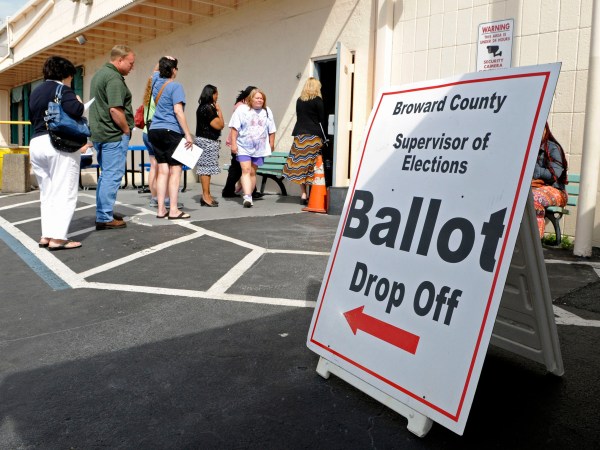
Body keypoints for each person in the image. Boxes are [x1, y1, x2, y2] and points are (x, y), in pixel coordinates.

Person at [28, 56, 85, 250]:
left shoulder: (35, 92)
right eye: (71, 77)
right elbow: (76, 110)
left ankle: (47, 235)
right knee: (65, 191)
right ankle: (59, 238)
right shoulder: (63, 89)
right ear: (66, 75)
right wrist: (78, 100)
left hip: (36, 142)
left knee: (48, 192)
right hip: (58, 144)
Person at [89, 45, 135, 230]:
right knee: (112, 175)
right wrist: (125, 130)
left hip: (101, 133)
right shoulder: (114, 78)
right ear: (120, 60)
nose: (133, 66)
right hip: (113, 135)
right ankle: (105, 216)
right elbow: (115, 109)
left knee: (105, 175)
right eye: (131, 63)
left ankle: (104, 212)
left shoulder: (99, 74)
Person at [147, 56, 193, 220]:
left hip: (154, 131)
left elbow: (154, 71)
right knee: (175, 170)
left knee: (163, 170)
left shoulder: (155, 83)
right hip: (171, 130)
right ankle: (173, 209)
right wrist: (187, 134)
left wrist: (162, 59)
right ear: (174, 70)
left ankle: (161, 209)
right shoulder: (176, 86)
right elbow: (178, 111)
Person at [228, 88, 276, 208]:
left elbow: (272, 129)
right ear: (251, 99)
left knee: (253, 172)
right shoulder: (242, 110)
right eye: (257, 98)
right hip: (243, 146)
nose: (260, 100)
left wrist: (271, 143)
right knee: (246, 170)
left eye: (262, 98)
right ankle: (247, 197)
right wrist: (233, 143)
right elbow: (234, 128)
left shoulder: (267, 111)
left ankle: (250, 194)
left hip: (259, 148)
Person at [282, 77, 326, 205]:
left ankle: (303, 194)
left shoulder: (299, 101)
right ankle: (313, 193)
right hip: (313, 136)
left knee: (301, 165)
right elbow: (321, 120)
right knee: (312, 165)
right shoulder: (318, 101)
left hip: (300, 136)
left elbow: (300, 117)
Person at [222, 85, 261, 199]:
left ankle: (248, 191)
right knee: (238, 168)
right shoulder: (241, 106)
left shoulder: (242, 104)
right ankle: (231, 190)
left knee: (243, 169)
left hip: (244, 143)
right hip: (240, 142)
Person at [532, 123, 568, 239]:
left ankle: (534, 243)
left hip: (556, 191)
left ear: (545, 130)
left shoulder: (552, 148)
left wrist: (533, 170)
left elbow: (555, 174)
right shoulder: (526, 148)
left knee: (533, 198)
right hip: (534, 188)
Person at [195, 84, 224, 207]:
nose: (217, 96)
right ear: (211, 94)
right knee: (206, 170)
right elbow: (219, 125)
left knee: (206, 169)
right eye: (216, 93)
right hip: (206, 142)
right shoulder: (207, 108)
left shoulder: (202, 107)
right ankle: (206, 196)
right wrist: (219, 111)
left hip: (205, 141)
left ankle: (206, 195)